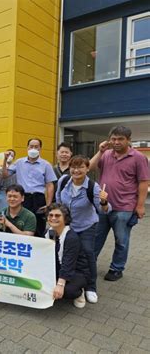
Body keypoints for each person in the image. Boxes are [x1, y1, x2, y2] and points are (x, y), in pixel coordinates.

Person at [90, 126, 149, 281]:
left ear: (129, 140)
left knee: (121, 240)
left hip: (124, 207)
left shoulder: (138, 158)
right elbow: (89, 167)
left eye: (120, 139)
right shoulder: (107, 154)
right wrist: (101, 151)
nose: (116, 142)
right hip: (102, 205)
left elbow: (143, 182)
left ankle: (116, 268)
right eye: (113, 139)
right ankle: (89, 264)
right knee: (96, 237)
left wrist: (140, 205)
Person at [56, 155, 110, 303]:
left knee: (87, 253)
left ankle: (91, 287)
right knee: (64, 252)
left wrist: (104, 201)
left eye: (80, 167)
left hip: (86, 226)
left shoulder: (93, 187)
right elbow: (58, 201)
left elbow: (104, 210)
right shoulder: (64, 181)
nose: (76, 170)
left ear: (87, 168)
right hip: (67, 226)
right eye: (73, 166)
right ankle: (70, 280)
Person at [3, 138, 57, 237]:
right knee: (20, 224)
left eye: (36, 147)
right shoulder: (19, 162)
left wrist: (49, 204)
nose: (33, 149)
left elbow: (50, 185)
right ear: (27, 148)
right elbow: (5, 175)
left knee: (38, 226)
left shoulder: (46, 164)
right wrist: (4, 161)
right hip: (23, 198)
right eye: (31, 146)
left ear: (40, 149)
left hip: (38, 198)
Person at [45, 204, 90, 308]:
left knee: (68, 291)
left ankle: (79, 292)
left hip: (76, 271)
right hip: (57, 267)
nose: (53, 218)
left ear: (65, 218)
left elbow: (68, 263)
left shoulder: (71, 237)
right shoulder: (48, 232)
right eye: (50, 215)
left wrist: (60, 285)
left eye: (57, 215)